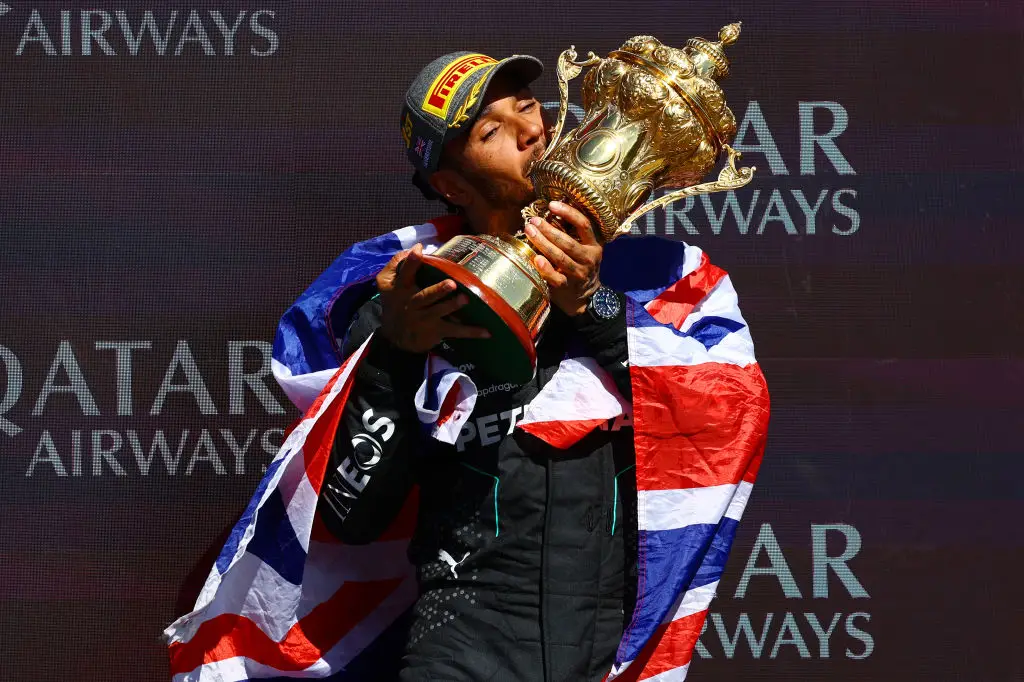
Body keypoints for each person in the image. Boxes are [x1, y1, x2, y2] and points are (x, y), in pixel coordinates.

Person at [316, 51, 639, 681]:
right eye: (490, 132)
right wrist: (394, 357)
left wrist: (592, 305)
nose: (530, 132)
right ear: (451, 186)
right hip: (465, 648)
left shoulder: (651, 286)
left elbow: (710, 423)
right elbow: (349, 515)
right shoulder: (411, 303)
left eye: (528, 108)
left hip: (614, 655)